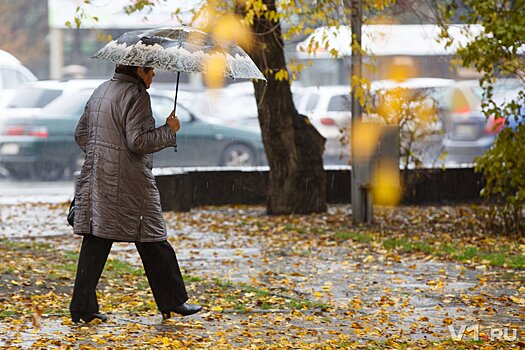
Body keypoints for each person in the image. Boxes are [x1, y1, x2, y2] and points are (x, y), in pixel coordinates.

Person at [69, 64, 201, 323]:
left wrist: (105, 156)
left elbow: (81, 134)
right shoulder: (137, 95)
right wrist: (169, 130)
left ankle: (82, 307)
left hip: (98, 177)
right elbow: (138, 142)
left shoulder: (101, 90)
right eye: (151, 72)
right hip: (131, 183)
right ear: (139, 70)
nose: (153, 77)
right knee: (154, 239)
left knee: (96, 240)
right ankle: (173, 301)